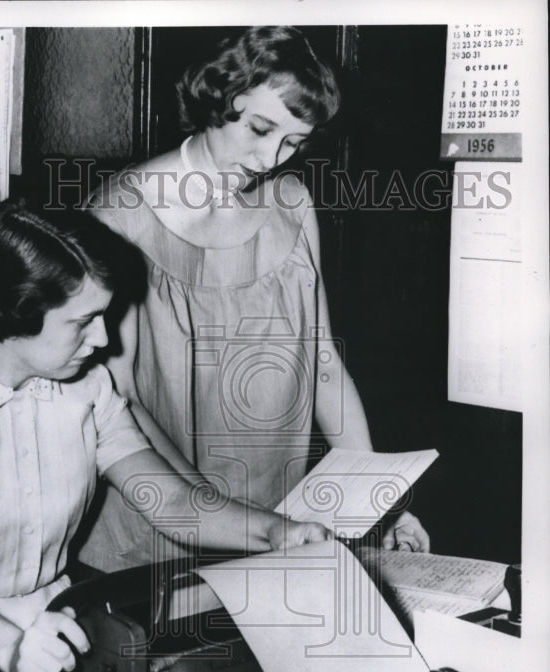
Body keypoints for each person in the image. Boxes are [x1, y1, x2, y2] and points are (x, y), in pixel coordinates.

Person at [0, 201, 329, 672]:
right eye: (82, 322)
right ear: (19, 310)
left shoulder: (89, 388)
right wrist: (11, 649)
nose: (102, 337)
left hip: (58, 631)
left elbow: (170, 501)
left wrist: (277, 532)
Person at [76, 25, 429, 574]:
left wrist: (381, 502)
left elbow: (324, 366)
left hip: (282, 516)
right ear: (219, 97)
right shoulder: (119, 216)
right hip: (165, 528)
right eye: (261, 129)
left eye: (293, 141)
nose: (271, 158)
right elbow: (120, 399)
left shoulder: (291, 203)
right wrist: (224, 516)